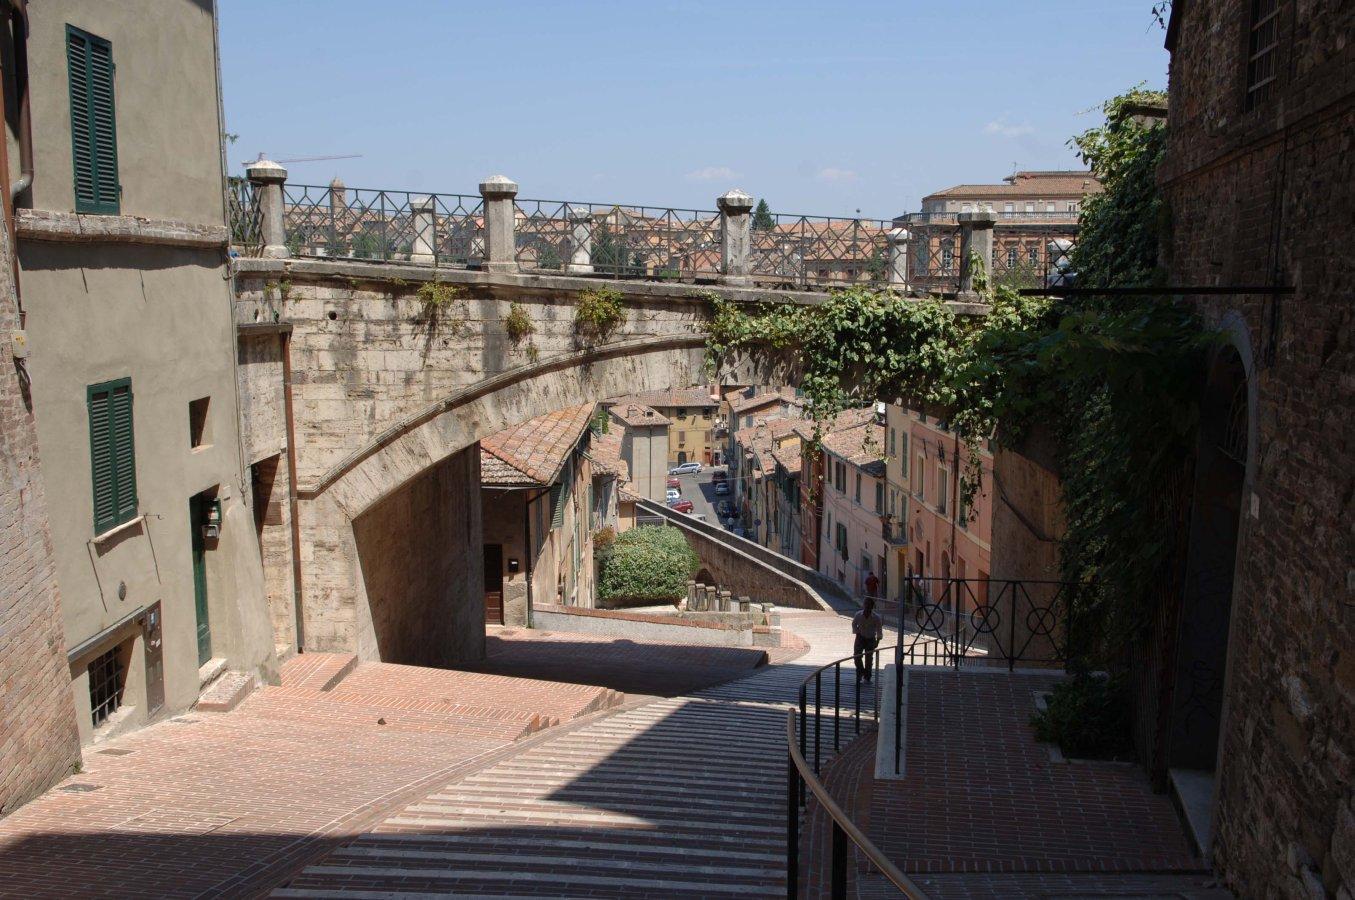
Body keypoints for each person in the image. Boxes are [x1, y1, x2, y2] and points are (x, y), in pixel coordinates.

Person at [852, 597, 884, 682]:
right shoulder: (858, 615)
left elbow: (879, 630)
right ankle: (861, 672)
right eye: (865, 604)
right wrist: (857, 633)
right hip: (860, 637)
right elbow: (854, 624)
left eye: (868, 605)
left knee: (869, 659)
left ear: (872, 607)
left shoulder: (876, 617)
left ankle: (867, 676)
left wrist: (877, 641)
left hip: (871, 638)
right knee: (856, 656)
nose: (866, 606)